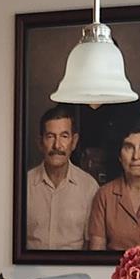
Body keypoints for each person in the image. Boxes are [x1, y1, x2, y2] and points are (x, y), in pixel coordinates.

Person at [85, 115, 140, 252]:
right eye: (129, 147)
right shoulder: (104, 195)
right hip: (112, 266)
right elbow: (96, 253)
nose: (136, 156)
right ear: (119, 155)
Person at [23, 105, 99, 251]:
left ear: (74, 141)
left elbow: (91, 245)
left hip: (74, 266)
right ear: (40, 142)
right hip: (29, 266)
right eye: (50, 136)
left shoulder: (89, 187)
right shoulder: (24, 185)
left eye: (64, 136)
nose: (57, 145)